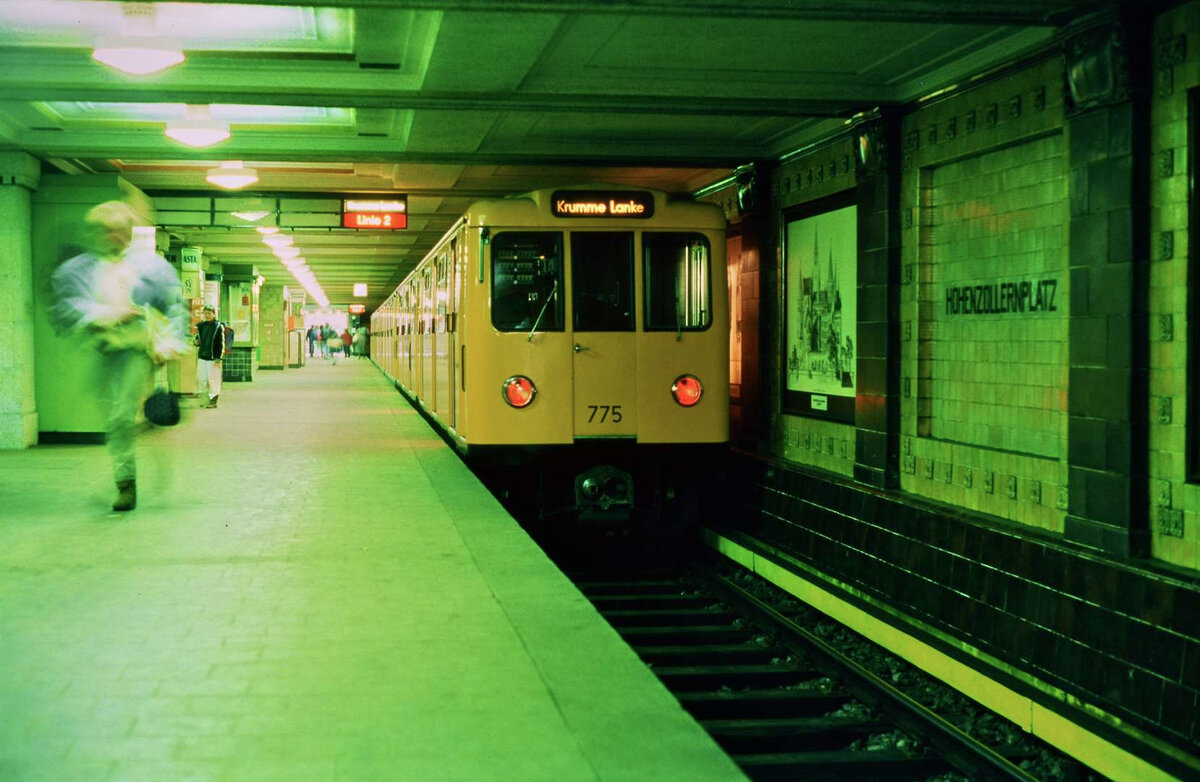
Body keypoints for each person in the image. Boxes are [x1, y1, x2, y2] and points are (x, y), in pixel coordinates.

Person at [48, 200, 186, 512]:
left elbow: (174, 307)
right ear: (97, 233)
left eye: (121, 231)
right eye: (107, 232)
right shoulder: (78, 270)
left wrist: (169, 343)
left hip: (138, 348)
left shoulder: (153, 268)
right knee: (114, 418)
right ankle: (137, 436)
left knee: (121, 415)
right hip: (104, 347)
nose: (115, 237)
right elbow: (68, 307)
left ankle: (126, 485)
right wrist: (108, 314)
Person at [193, 305, 224, 409]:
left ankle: (213, 400)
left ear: (214, 314)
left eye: (209, 313)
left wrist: (218, 357)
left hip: (213, 358)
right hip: (202, 356)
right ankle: (204, 399)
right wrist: (196, 342)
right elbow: (197, 339)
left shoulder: (218, 326)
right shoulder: (201, 326)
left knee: (213, 379)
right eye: (205, 313)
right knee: (201, 378)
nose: (207, 315)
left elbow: (221, 342)